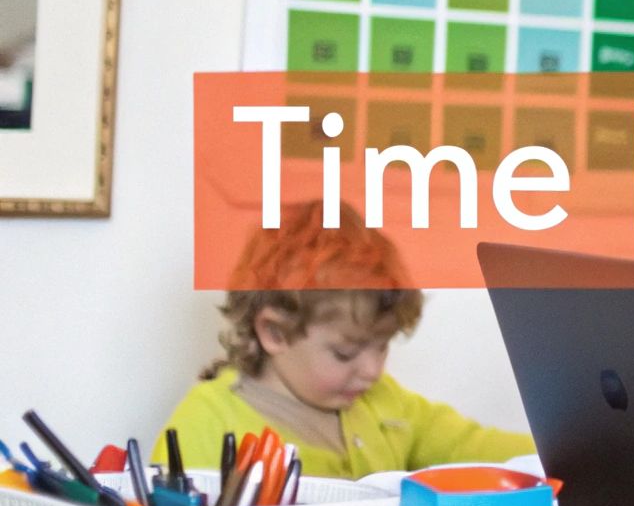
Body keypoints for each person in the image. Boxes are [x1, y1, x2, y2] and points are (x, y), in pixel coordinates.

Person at [156, 200, 534, 478]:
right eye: (345, 352)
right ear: (274, 332)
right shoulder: (206, 424)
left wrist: (578, 451)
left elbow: (476, 447)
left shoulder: (386, 405)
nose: (372, 370)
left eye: (382, 345)